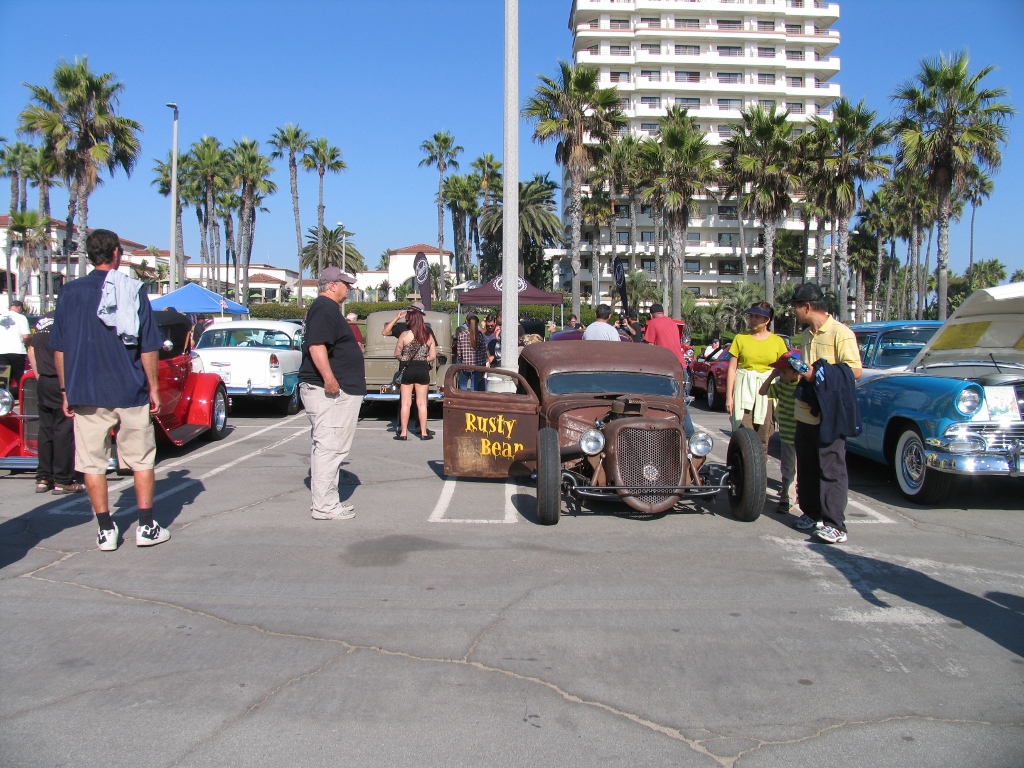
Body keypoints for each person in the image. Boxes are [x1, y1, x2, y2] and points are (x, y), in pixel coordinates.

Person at [49, 229, 168, 551]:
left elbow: (58, 348)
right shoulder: (133, 290)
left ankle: (105, 529)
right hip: (129, 388)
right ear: (116, 253)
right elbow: (147, 346)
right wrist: (154, 388)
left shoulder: (69, 293)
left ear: (90, 255)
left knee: (92, 463)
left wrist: (65, 389)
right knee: (141, 459)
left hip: (85, 389)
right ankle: (146, 526)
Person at [788, 282, 863, 544]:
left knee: (831, 467)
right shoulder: (808, 335)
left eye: (795, 307)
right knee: (807, 465)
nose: (793, 312)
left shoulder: (840, 333)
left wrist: (819, 372)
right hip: (806, 410)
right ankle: (812, 512)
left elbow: (854, 370)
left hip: (830, 412)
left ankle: (835, 525)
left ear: (807, 307)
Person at [298, 267, 366, 520]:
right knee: (330, 447)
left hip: (336, 390)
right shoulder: (325, 309)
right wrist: (329, 380)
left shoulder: (326, 310)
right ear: (331, 285)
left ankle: (329, 501)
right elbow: (317, 346)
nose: (348, 289)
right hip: (330, 392)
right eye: (345, 284)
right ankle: (325, 506)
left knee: (333, 448)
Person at [27, 312, 84, 495]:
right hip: (61, 381)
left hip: (44, 379)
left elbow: (31, 350)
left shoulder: (42, 321)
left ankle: (44, 477)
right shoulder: (68, 320)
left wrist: (39, 376)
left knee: (46, 429)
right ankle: (63, 479)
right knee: (63, 430)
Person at [725, 303, 788, 455]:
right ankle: (743, 469)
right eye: (751, 316)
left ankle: (760, 472)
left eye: (757, 317)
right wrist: (729, 397)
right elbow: (732, 368)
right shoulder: (740, 338)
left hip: (766, 391)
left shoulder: (777, 342)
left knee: (763, 433)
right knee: (743, 430)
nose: (752, 320)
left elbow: (784, 369)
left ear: (767, 320)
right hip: (744, 389)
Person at [637, 304, 695, 438]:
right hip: (680, 365)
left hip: (664, 368)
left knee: (658, 400)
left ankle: (682, 433)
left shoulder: (652, 323)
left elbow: (649, 347)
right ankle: (687, 434)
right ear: (662, 312)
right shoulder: (672, 323)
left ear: (651, 315)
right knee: (680, 402)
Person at [759, 351, 802, 515]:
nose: (781, 375)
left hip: (801, 434)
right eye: (780, 371)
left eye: (785, 371)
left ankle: (794, 495)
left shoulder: (802, 385)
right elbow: (762, 392)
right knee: (788, 468)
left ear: (797, 371)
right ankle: (787, 498)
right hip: (786, 434)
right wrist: (772, 376)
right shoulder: (781, 385)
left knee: (800, 468)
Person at [393, 303, 437, 440]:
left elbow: (396, 353)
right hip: (423, 369)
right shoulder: (428, 336)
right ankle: (423, 433)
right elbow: (433, 356)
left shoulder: (404, 335)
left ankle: (403, 433)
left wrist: (404, 359)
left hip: (408, 369)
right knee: (422, 403)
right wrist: (424, 359)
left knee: (406, 402)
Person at [0, 299, 31, 396]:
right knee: (19, 377)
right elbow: (25, 336)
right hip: (17, 351)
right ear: (20, 308)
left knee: (3, 378)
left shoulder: (1, 317)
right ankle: (23, 398)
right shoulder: (21, 318)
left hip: (2, 351)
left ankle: (2, 399)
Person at [456, 314, 486, 390]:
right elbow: (483, 353)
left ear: (467, 323)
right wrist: (483, 367)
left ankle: (463, 401)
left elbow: (459, 353)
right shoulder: (480, 336)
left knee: (463, 386)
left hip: (464, 365)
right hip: (477, 366)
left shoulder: (461, 335)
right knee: (474, 387)